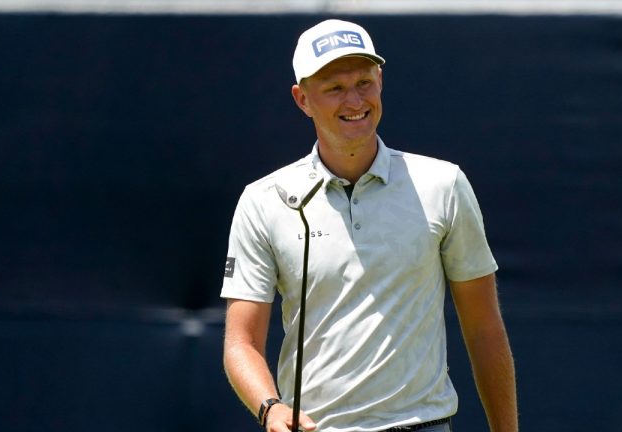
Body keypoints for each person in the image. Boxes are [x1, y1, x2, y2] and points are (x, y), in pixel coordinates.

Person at [222, 19, 518, 432]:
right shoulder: (263, 200)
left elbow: (484, 328)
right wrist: (270, 408)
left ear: (381, 80)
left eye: (364, 81)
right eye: (334, 88)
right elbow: (241, 343)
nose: (355, 100)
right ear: (302, 99)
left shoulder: (443, 184)